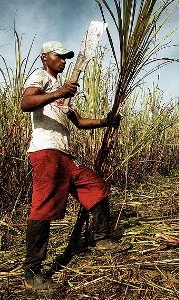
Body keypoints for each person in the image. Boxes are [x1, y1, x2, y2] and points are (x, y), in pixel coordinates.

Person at [21, 41, 120, 291]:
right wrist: (59, 92)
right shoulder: (40, 76)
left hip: (65, 154)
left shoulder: (61, 90)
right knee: (43, 207)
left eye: (66, 57)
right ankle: (32, 273)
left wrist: (105, 121)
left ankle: (102, 238)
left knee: (95, 186)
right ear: (45, 57)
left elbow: (79, 122)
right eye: (59, 56)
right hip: (46, 151)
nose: (64, 60)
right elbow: (26, 103)